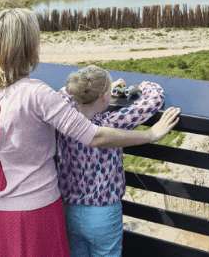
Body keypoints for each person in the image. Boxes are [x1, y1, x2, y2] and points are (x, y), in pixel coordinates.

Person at [0, 8, 181, 257]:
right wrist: (151, 135)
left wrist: (96, 89)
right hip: (32, 209)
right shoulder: (37, 94)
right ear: (28, 46)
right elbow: (95, 136)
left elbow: (57, 103)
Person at [57, 66, 165, 257]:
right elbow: (154, 99)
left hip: (70, 209)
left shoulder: (65, 116)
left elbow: (66, 92)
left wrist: (104, 87)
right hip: (103, 212)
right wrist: (143, 85)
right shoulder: (112, 123)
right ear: (104, 97)